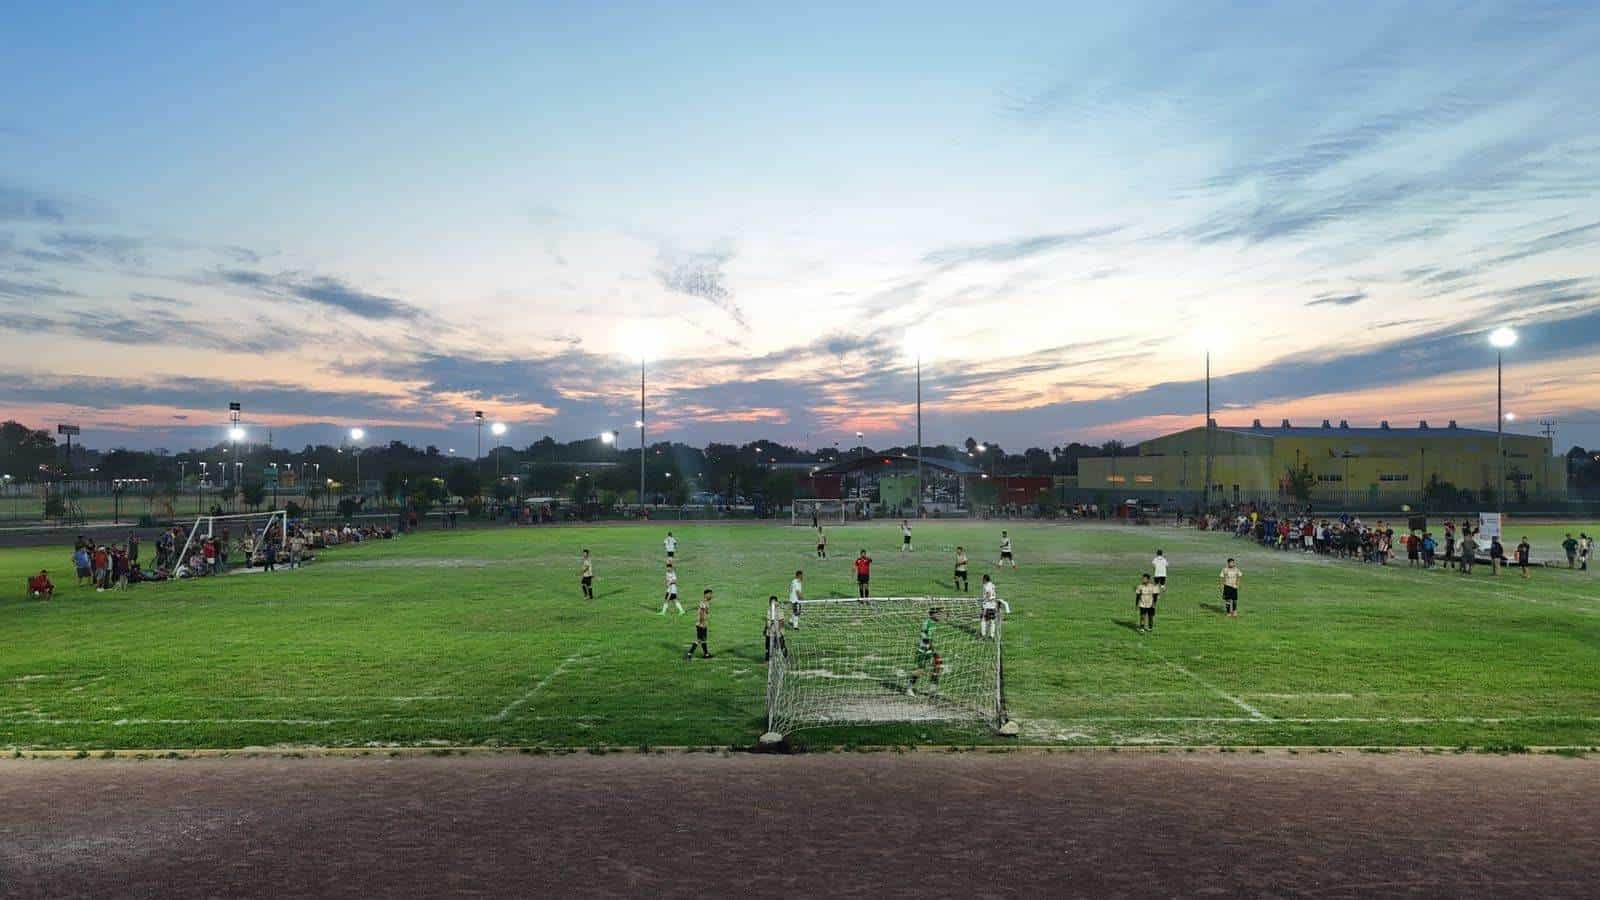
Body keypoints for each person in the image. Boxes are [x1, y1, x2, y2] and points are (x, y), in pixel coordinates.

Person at [905, 607, 941, 697]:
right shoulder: (929, 623)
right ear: (931, 614)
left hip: (927, 650)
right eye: (937, 614)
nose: (939, 615)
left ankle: (932, 691)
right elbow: (926, 639)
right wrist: (934, 651)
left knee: (937, 666)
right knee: (920, 670)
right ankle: (909, 688)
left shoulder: (930, 622)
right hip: (923, 651)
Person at [684, 589, 713, 659]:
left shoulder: (704, 602)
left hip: (703, 623)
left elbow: (699, 609)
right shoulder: (704, 603)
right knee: (699, 640)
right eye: (710, 594)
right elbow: (701, 613)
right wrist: (702, 623)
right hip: (701, 624)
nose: (711, 596)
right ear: (706, 595)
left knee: (703, 639)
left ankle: (706, 654)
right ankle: (689, 654)